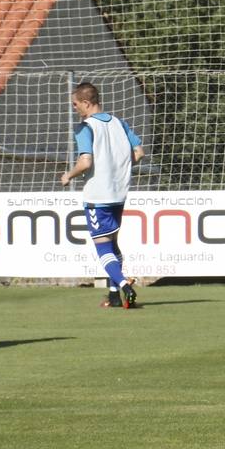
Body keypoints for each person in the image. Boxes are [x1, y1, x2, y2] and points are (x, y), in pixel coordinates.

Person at [60, 82, 146, 309]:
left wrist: (69, 175)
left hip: (98, 196)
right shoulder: (120, 123)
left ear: (86, 103)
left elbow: (86, 161)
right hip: (119, 194)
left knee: (102, 247)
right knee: (113, 244)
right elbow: (139, 152)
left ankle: (125, 284)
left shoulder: (85, 127)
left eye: (75, 104)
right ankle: (114, 295)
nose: (74, 108)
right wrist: (119, 167)